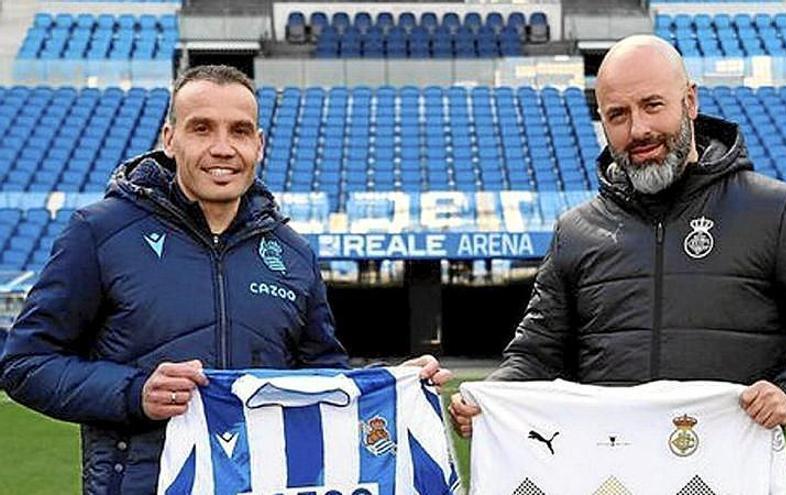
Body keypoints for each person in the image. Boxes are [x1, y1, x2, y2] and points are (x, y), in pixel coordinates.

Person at [0, 65, 451, 494]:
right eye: (202, 128)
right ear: (169, 139)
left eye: (238, 131)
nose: (222, 147)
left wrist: (389, 384)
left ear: (259, 144)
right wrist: (134, 392)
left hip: (264, 482)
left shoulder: (292, 252)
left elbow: (321, 379)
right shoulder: (99, 233)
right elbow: (24, 364)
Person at [449, 35, 786, 437]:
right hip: (610, 473)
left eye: (652, 105)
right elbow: (535, 357)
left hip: (730, 471)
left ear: (689, 101)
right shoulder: (575, 232)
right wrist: (486, 400)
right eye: (618, 114)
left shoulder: (772, 211)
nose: (638, 130)